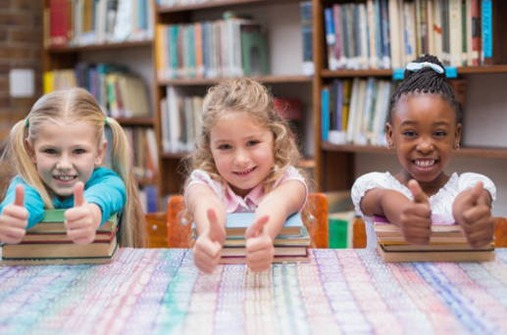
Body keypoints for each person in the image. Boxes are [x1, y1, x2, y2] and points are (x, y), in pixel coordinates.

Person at [351, 54, 496, 249]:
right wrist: (405, 212)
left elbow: (472, 201)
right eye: (410, 133)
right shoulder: (374, 186)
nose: (425, 146)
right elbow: (383, 199)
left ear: (456, 136)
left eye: (439, 133)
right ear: (390, 135)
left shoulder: (467, 186)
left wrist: (465, 213)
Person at [184, 78, 308, 273]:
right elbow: (205, 204)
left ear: (275, 139)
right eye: (225, 146)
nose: (241, 160)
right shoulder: (203, 182)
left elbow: (277, 204)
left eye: (252, 143)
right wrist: (208, 235)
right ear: (210, 149)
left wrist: (263, 235)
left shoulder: (289, 182)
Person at [0, 87, 146, 247]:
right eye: (50, 151)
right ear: (31, 151)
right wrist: (15, 219)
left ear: (99, 152)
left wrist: (91, 213)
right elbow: (23, 203)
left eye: (78, 151)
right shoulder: (24, 185)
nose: (64, 165)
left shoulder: (108, 182)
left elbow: (105, 195)